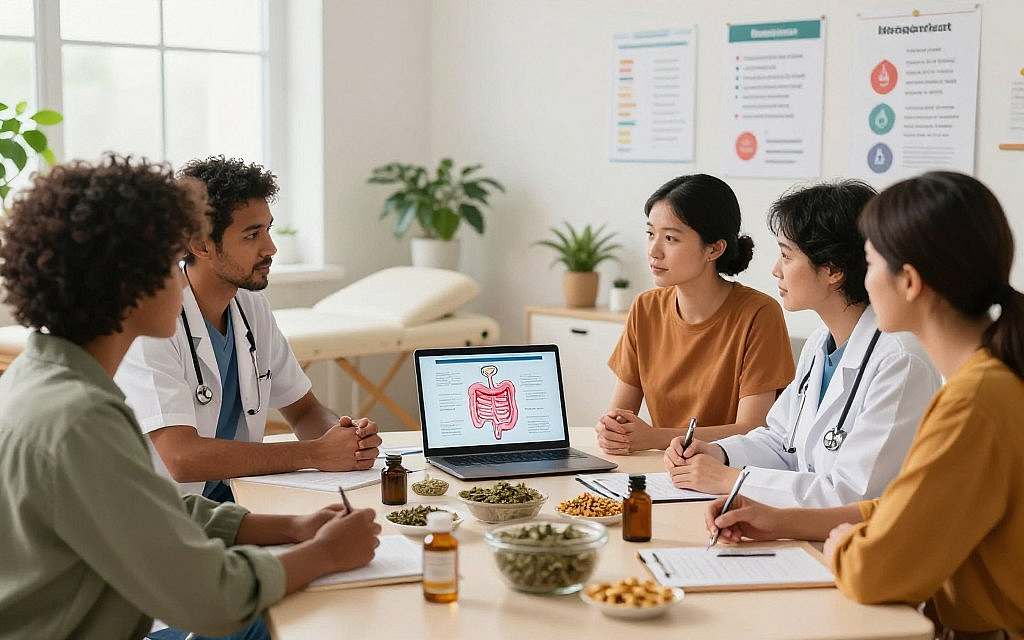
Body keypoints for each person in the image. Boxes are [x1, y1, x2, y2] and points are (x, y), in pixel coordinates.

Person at [0, 155, 381, 640]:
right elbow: (214, 600)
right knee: (307, 619)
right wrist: (326, 553)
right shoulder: (79, 419)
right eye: (168, 263)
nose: (179, 278)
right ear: (126, 286)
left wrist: (294, 526)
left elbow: (151, 509)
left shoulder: (46, 380)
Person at [705, 172, 1024, 639]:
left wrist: (841, 543)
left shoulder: (972, 400)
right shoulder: (983, 383)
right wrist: (781, 519)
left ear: (909, 282)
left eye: (871, 263)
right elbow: (903, 506)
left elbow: (876, 571)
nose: (864, 279)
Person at [115, 156, 381, 502]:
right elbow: (180, 457)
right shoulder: (152, 322)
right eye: (252, 235)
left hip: (239, 502)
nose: (271, 248)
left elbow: (305, 410)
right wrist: (315, 453)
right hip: (167, 517)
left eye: (268, 229)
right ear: (201, 245)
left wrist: (347, 439)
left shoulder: (249, 306)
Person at [664, 181, 940, 507]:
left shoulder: (900, 362)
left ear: (833, 269)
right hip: (802, 533)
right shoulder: (820, 345)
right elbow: (783, 442)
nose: (776, 270)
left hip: (857, 546)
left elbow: (852, 495)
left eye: (786, 255)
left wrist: (731, 480)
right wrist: (720, 453)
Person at [597, 174, 795, 455]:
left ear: (714, 248)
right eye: (651, 234)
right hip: (661, 471)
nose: (654, 251)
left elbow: (753, 428)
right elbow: (620, 413)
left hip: (726, 474)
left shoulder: (758, 313)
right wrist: (612, 430)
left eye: (670, 238)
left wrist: (654, 438)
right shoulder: (645, 308)